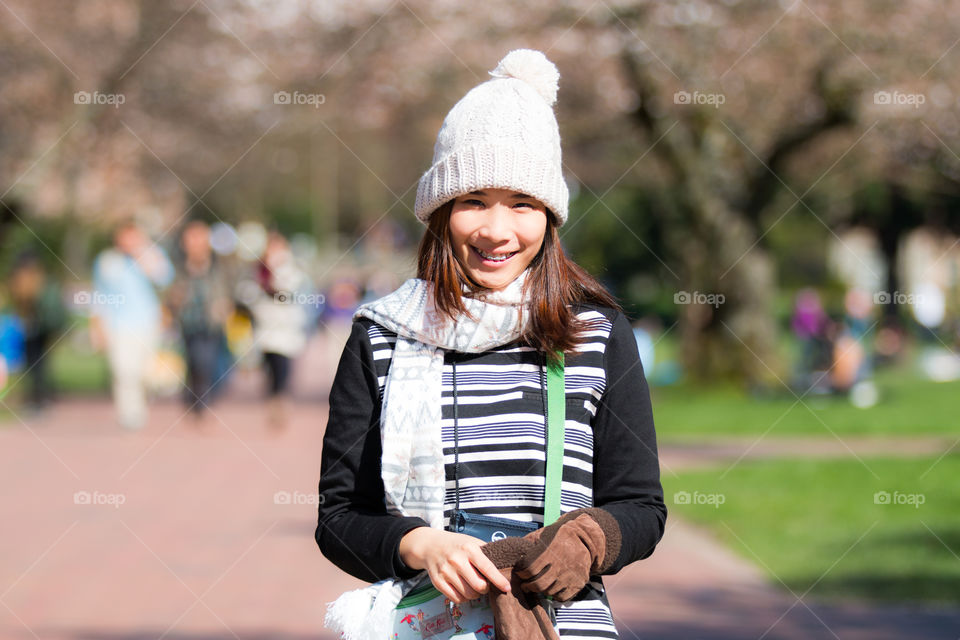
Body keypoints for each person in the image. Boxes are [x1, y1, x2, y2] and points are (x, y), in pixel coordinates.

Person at [316, 50, 666, 639]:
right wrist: (419, 543)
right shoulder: (381, 336)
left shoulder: (598, 334)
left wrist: (588, 540)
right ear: (441, 211)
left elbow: (641, 508)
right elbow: (339, 518)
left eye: (522, 204)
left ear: (550, 218)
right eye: (474, 201)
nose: (497, 231)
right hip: (425, 624)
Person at [91, 221, 174, 430]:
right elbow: (99, 295)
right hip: (118, 325)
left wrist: (143, 256)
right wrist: (97, 326)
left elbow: (165, 279)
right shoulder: (108, 261)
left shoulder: (151, 256)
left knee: (144, 372)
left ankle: (140, 403)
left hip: (148, 324)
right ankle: (130, 414)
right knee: (124, 370)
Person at [166, 221, 233, 425]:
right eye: (190, 239)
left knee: (209, 363)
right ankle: (196, 402)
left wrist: (225, 306)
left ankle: (202, 404)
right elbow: (169, 295)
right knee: (195, 363)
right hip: (188, 323)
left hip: (212, 323)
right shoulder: (178, 268)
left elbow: (229, 290)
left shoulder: (219, 266)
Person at [251, 231, 310, 429]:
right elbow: (250, 294)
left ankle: (280, 402)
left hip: (285, 329)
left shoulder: (290, 269)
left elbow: (287, 292)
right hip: (265, 327)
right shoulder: (259, 270)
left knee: (282, 367)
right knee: (269, 368)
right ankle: (273, 399)